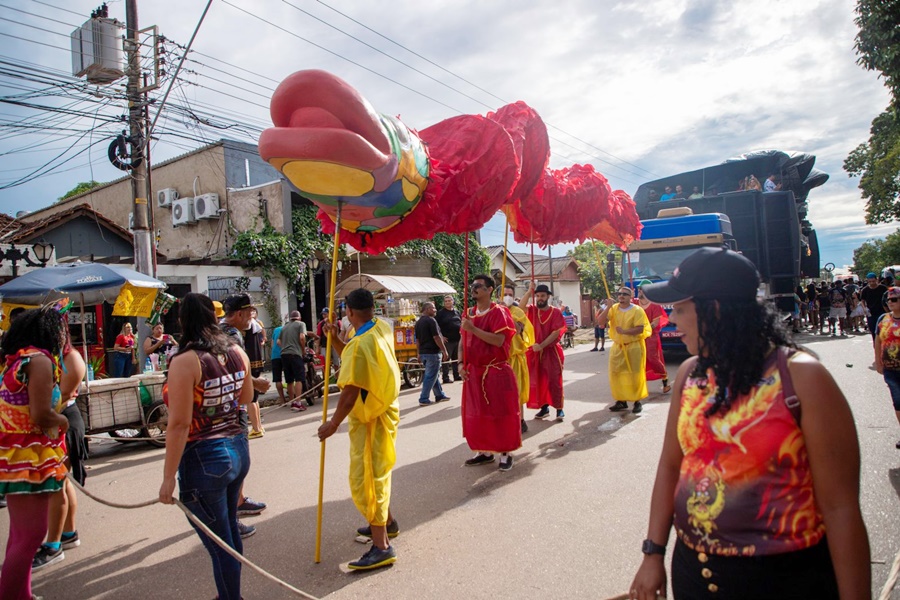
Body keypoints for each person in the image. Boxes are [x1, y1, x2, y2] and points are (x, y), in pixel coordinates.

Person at [630, 247, 870, 600]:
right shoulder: (690, 374)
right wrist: (653, 554)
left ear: (714, 309)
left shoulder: (802, 377)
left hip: (783, 583)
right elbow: (671, 466)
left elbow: (841, 509)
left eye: (679, 309)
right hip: (693, 573)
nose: (672, 320)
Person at [158, 293, 255, 600]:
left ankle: (230, 597)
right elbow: (246, 398)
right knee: (228, 534)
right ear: (214, 318)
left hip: (204, 457)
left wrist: (167, 478)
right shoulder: (237, 351)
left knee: (220, 542)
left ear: (182, 321)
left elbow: (179, 424)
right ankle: (230, 593)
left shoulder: (185, 361)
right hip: (237, 449)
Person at [317, 288, 401, 570]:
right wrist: (335, 339)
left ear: (349, 312)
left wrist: (333, 424)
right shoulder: (380, 327)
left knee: (368, 480)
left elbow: (351, 390)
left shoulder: (360, 342)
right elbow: (355, 361)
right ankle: (387, 522)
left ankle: (382, 547)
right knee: (378, 473)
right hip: (384, 409)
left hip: (371, 419)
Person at [0, 306, 69, 600]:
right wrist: (62, 420)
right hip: (26, 456)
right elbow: (41, 414)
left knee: (20, 535)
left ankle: (21, 594)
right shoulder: (39, 361)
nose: (64, 336)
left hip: (16, 454)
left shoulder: (18, 360)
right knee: (30, 536)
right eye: (62, 330)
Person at [33, 318, 88, 571]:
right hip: (53, 421)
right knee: (63, 483)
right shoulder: (48, 357)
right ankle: (68, 533)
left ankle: (54, 544)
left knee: (57, 484)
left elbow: (62, 397)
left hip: (64, 420)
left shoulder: (71, 358)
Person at [459, 275, 521, 471]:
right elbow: (462, 341)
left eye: (479, 286)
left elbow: (499, 341)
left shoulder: (499, 312)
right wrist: (460, 364)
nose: (474, 288)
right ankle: (484, 451)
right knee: (478, 414)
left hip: (496, 370)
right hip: (474, 372)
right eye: (473, 285)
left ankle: (505, 453)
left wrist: (473, 329)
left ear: (490, 290)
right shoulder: (468, 313)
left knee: (501, 413)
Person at [219, 294, 270, 532]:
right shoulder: (232, 335)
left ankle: (238, 501)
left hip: (224, 405)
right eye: (249, 312)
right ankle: (231, 517)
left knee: (235, 462)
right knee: (237, 462)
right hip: (233, 407)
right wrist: (256, 384)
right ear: (239, 313)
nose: (252, 316)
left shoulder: (218, 331)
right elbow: (234, 372)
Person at [598, 287, 651, 414]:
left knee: (635, 374)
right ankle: (621, 400)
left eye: (625, 294)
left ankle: (637, 401)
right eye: (619, 293)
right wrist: (608, 307)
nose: (621, 296)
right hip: (618, 347)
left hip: (634, 346)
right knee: (616, 373)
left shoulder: (637, 310)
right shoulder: (613, 309)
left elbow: (640, 329)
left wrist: (624, 331)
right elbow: (600, 321)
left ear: (631, 296)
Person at [522, 283, 566, 420]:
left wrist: (541, 345)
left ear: (548, 297)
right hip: (535, 352)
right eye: (537, 296)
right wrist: (529, 292)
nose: (539, 298)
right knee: (538, 380)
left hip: (551, 352)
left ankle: (559, 409)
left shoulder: (555, 312)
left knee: (554, 380)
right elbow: (520, 308)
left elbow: (556, 332)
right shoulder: (532, 310)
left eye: (542, 296)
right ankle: (544, 407)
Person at [502, 283, 534, 434]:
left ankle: (520, 420)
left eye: (510, 294)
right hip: (500, 359)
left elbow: (518, 328)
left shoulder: (518, 312)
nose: (507, 297)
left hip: (515, 358)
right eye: (505, 294)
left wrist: (505, 314)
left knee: (517, 390)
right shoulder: (494, 310)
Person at [875, 286, 900, 450]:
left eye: (894, 299)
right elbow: (878, 341)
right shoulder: (883, 319)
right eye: (888, 300)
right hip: (890, 370)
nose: (890, 302)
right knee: (898, 402)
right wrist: (878, 361)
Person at [414, 302, 451, 406]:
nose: (435, 310)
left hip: (424, 353)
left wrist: (419, 353)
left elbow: (417, 340)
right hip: (433, 353)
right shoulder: (431, 320)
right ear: (427, 309)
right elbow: (436, 337)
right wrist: (444, 350)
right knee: (430, 376)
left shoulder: (418, 322)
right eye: (433, 308)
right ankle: (423, 398)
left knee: (434, 375)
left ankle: (439, 395)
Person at [637, 286, 670, 393]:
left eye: (641, 289)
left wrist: (644, 330)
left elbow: (655, 323)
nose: (639, 291)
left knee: (653, 358)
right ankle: (639, 385)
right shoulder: (634, 303)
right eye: (639, 289)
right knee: (637, 359)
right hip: (636, 336)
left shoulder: (654, 305)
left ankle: (665, 380)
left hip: (651, 336)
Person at [279, 310, 308, 412]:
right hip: (295, 354)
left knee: (289, 380)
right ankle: (298, 403)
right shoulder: (301, 324)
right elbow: (302, 337)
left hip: (284, 354)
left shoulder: (284, 327)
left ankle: (292, 402)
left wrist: (285, 347)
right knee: (299, 378)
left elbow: (278, 341)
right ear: (299, 318)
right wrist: (303, 350)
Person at [435, 295, 462, 383]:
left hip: (457, 339)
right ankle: (445, 377)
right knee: (446, 359)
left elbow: (461, 323)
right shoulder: (440, 313)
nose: (447, 302)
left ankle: (456, 375)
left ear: (453, 301)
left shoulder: (457, 312)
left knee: (456, 358)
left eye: (449, 301)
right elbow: (435, 326)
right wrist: (441, 336)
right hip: (447, 341)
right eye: (446, 301)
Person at [861, 272, 888, 341]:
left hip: (882, 312)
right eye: (870, 281)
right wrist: (864, 308)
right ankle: (876, 345)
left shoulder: (883, 288)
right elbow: (862, 300)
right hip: (871, 313)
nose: (872, 283)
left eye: (873, 281)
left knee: (882, 330)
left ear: (876, 280)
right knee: (873, 330)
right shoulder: (865, 290)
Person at [270, 317, 286, 404]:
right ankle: (292, 399)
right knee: (289, 378)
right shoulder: (287, 330)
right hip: (285, 354)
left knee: (277, 379)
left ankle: (282, 400)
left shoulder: (276, 330)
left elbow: (272, 344)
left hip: (275, 356)